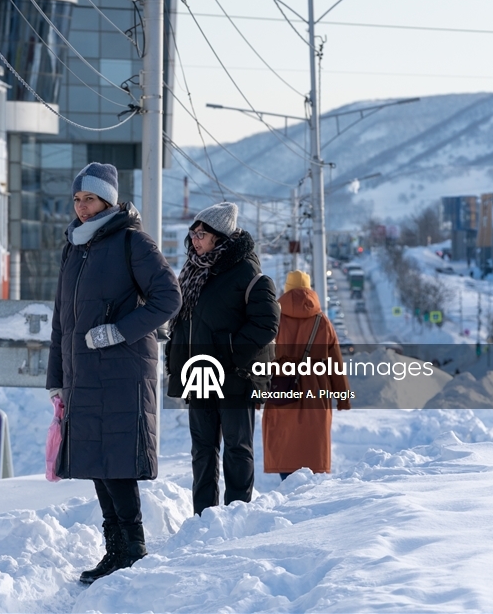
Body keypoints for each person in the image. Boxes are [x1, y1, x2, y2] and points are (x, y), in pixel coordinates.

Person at [46, 162, 181, 585]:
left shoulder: (132, 242)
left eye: (89, 198)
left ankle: (133, 549)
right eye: (77, 199)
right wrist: (56, 378)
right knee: (97, 463)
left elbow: (169, 297)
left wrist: (118, 331)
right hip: (83, 374)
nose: (81, 207)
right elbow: (61, 321)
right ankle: (116, 550)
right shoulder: (74, 248)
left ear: (108, 201)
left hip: (122, 371)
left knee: (116, 462)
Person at [165, 202, 280, 516]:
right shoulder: (193, 271)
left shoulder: (246, 272)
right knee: (202, 451)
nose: (194, 240)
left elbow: (266, 323)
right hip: (199, 375)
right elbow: (184, 324)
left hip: (235, 377)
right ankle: (204, 517)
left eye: (201, 234)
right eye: (193, 233)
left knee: (236, 448)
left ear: (220, 236)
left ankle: (237, 514)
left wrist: (229, 353)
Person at [262, 270, 351, 481]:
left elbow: (262, 358)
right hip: (316, 394)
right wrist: (343, 398)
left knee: (285, 449)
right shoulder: (323, 322)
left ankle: (288, 487)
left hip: (281, 392)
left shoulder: (273, 320)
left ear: (286, 290)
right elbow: (335, 364)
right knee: (313, 451)